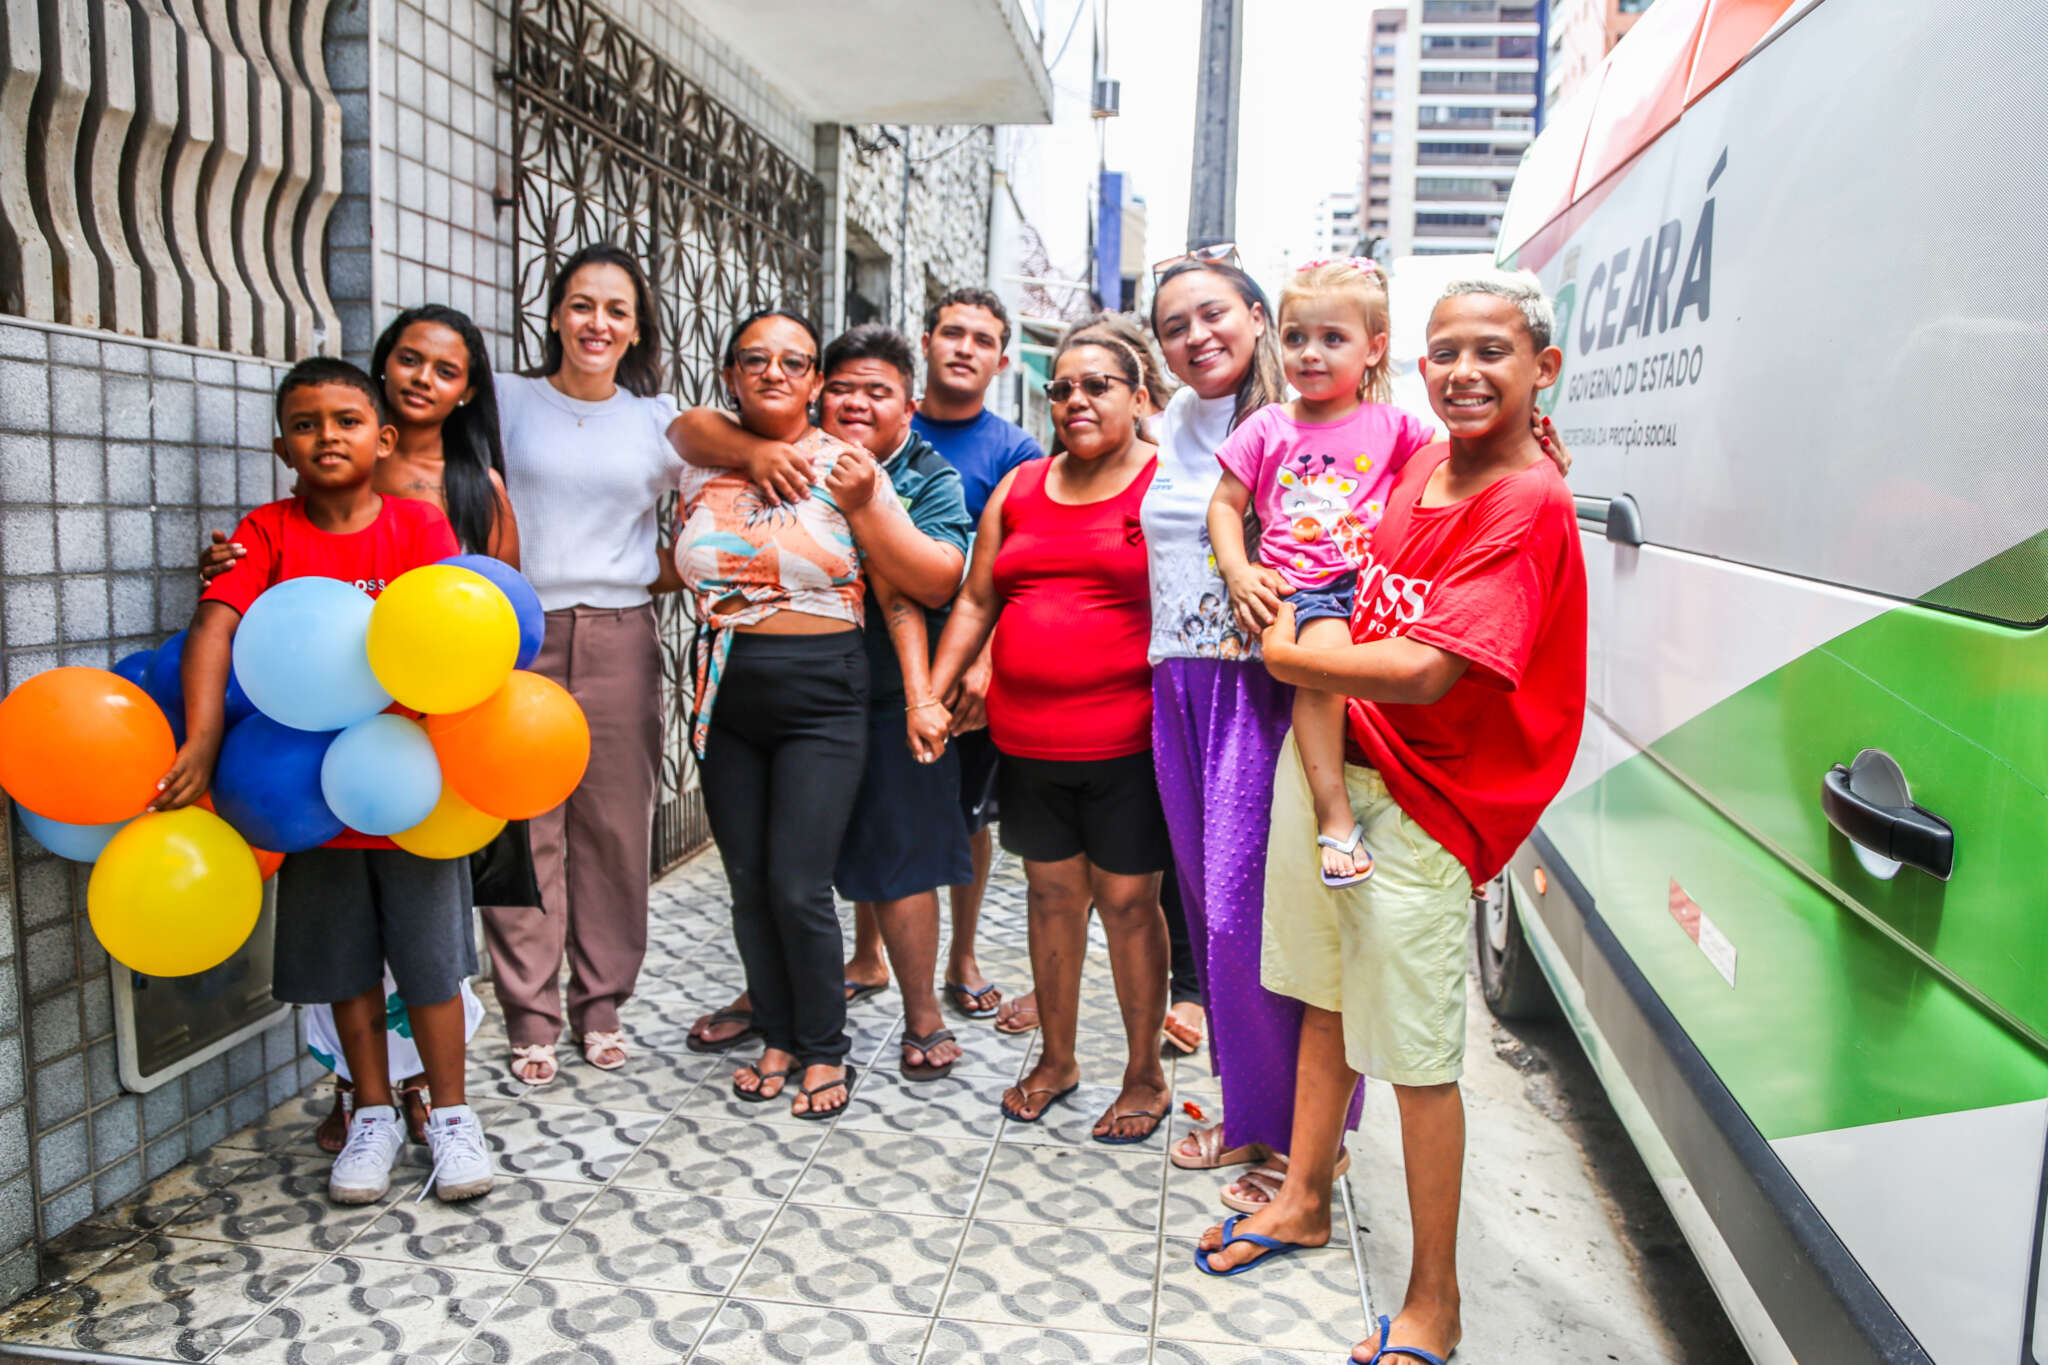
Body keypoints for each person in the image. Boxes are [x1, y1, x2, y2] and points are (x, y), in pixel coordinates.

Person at [1195, 275, 1588, 1365]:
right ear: (1418, 369)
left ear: (1539, 370)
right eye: (1445, 353)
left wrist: (1283, 654)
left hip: (1423, 803)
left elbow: (1421, 669)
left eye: (1491, 353)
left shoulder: (1524, 503)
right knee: (1325, 1002)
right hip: (1341, 764)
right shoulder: (1422, 466)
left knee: (1415, 1062)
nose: (1464, 372)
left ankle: (1435, 1301)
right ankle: (1302, 1199)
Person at [156, 358, 493, 1206]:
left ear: (382, 438)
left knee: (431, 965)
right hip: (304, 793)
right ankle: (371, 1110)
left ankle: (452, 1114)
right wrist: (200, 740)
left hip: (405, 787)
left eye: (346, 420)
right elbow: (214, 625)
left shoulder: (418, 529)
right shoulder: (265, 533)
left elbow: (451, 635)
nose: (326, 436)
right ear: (281, 445)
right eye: (306, 424)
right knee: (346, 965)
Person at [672, 325, 973, 1080]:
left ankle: (864, 1033)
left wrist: (920, 694)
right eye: (753, 360)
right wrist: (749, 451)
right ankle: (776, 1022)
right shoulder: (708, 453)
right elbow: (680, 427)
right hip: (730, 685)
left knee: (835, 871)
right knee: (756, 875)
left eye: (794, 363)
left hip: (842, 685)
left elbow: (916, 588)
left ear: (910, 403)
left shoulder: (873, 471)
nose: (855, 400)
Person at [1145, 254, 1368, 1212]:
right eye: (1172, 326)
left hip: (1268, 688)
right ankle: (1250, 1114)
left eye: (1212, 315)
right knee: (1206, 912)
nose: (1196, 337)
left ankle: (1310, 1142)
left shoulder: (1308, 423)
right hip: (1177, 681)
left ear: (1258, 317)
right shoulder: (1173, 423)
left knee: (1261, 919)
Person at [928, 334, 1171, 1143]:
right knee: (1051, 897)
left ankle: (1144, 1073)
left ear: (1140, 397)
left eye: (1098, 385)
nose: (1076, 401)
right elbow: (975, 600)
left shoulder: (1167, 483)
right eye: (1062, 387)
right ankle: (1058, 1058)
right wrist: (935, 689)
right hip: (1030, 744)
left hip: (1129, 743)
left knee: (1131, 904)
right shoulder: (1022, 485)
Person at [483, 243, 684, 1086]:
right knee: (524, 823)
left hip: (620, 631)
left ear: (636, 329)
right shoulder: (504, 399)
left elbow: (713, 528)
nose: (596, 323)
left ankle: (601, 999)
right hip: (512, 632)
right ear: (556, 314)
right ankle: (531, 1010)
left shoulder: (661, 421)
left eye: (615, 310)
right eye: (581, 304)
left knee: (610, 825)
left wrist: (642, 571)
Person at [1207, 259, 1435, 890]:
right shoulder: (1268, 426)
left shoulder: (1399, 428)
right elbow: (1224, 505)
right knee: (1322, 674)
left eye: (1332, 339)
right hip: (1298, 588)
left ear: (1374, 348)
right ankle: (1334, 816)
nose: (1310, 353)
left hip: (1371, 586)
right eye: (1295, 337)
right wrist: (1239, 573)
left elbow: (1455, 472)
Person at [911, 288, 1043, 1027]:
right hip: (879, 651)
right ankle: (871, 952)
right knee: (882, 803)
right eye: (951, 333)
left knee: (968, 816)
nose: (964, 347)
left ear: (999, 358)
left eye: (982, 339)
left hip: (970, 665)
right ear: (927, 341)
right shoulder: (890, 426)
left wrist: (984, 663)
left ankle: (962, 953)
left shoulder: (1016, 451)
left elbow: (1013, 567)